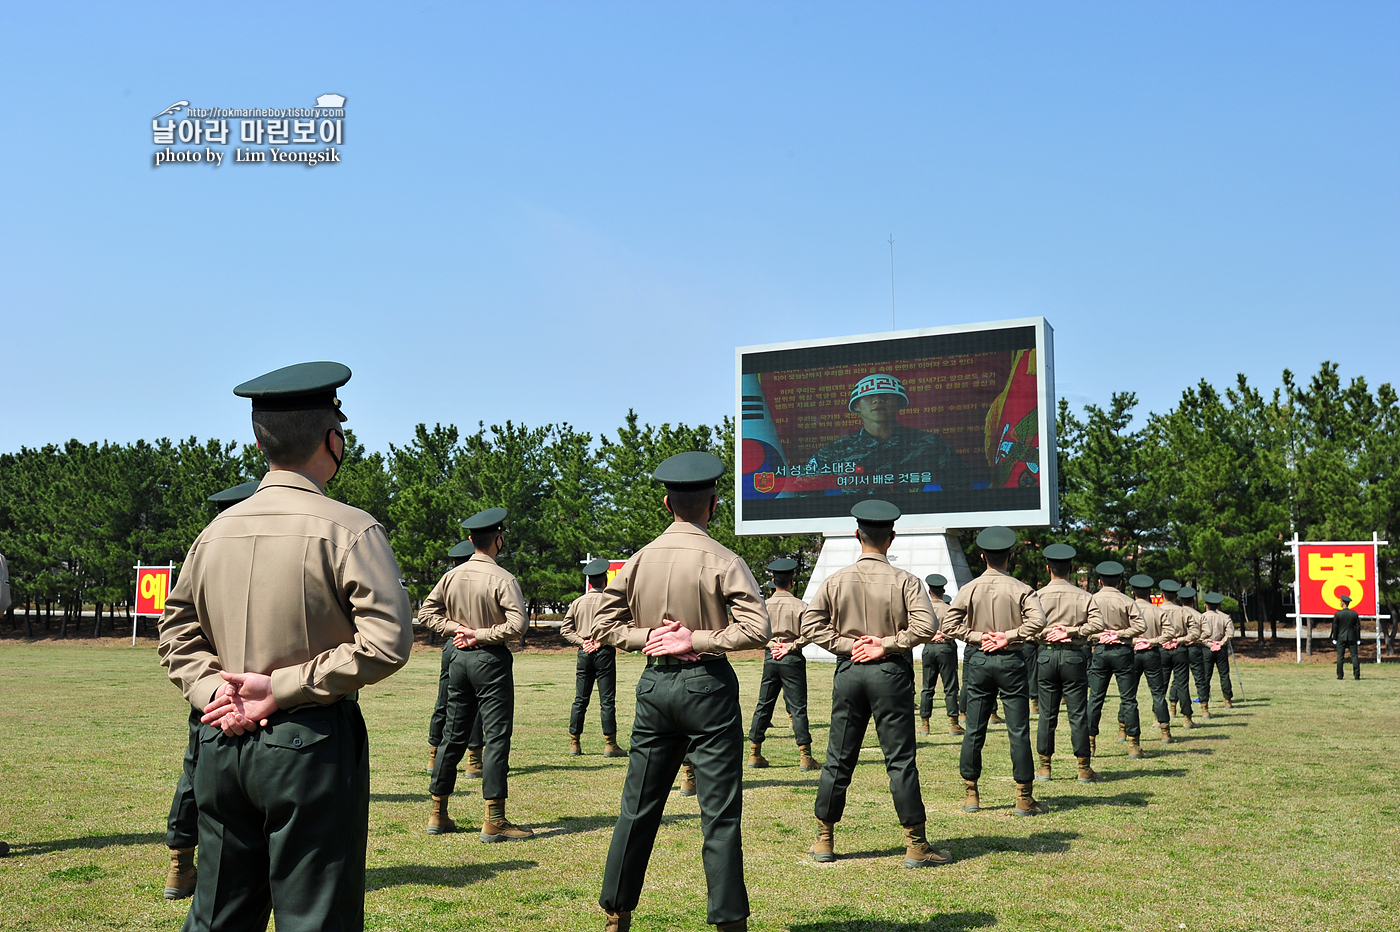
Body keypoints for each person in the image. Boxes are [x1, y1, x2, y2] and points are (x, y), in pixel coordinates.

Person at [158, 361, 414, 931]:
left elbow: (176, 631)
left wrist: (212, 695)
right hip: (309, 746)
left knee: (218, 915)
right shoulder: (351, 528)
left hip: (218, 741)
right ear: (334, 440)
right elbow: (388, 642)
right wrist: (280, 688)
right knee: (315, 917)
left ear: (258, 442)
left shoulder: (214, 532)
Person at [591, 451, 770, 932]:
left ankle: (616, 914)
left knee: (638, 807)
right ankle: (730, 922)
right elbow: (757, 628)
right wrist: (700, 638)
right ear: (713, 505)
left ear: (667, 503)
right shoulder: (724, 560)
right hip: (707, 686)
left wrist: (645, 638)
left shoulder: (638, 560)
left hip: (654, 685)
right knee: (719, 814)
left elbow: (603, 623)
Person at [801, 501, 949, 868]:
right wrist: (885, 644)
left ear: (857, 535)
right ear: (891, 537)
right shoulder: (906, 581)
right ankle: (916, 844)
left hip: (849, 671)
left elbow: (810, 626)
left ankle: (824, 840)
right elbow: (926, 628)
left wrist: (851, 645)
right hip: (891, 674)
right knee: (900, 760)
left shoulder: (835, 580)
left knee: (837, 758)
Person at [161, 479, 260, 901]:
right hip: (257, 692)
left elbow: (179, 629)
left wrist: (211, 687)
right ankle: (184, 864)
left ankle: (180, 863)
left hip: (215, 691)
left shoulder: (204, 555)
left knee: (195, 772)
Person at [418, 507, 534, 841]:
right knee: (496, 737)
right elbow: (518, 625)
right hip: (489, 660)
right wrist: (479, 634)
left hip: (457, 658)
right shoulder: (504, 579)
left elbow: (426, 612)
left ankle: (438, 814)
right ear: (498, 539)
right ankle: (494, 820)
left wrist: (457, 629)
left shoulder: (451, 576)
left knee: (453, 735)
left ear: (470, 540)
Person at [940, 526, 1048, 816]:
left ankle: (971, 794)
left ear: (982, 555)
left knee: (974, 729)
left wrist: (978, 637)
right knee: (1018, 730)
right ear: (1009, 556)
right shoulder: (1022, 589)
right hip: (1011, 662)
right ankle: (1024, 798)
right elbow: (1039, 622)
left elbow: (949, 626)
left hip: (979, 661)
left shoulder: (969, 589)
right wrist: (1008, 636)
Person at [806, 373, 971, 492]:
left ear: (899, 402)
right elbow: (804, 488)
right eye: (869, 397)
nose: (878, 400)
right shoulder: (835, 451)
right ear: (856, 406)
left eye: (886, 395)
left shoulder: (930, 444)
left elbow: (960, 486)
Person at [1033, 546, 1101, 784]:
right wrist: (1071, 631)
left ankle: (1044, 768)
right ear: (1072, 569)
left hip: (1046, 656)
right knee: (1078, 714)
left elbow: (1028, 625)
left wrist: (1049, 632)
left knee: (1046, 714)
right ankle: (1083, 768)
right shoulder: (1085, 596)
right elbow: (1097, 625)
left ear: (1047, 568)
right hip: (1074, 656)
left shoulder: (1037, 596)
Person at [748, 558, 817, 772]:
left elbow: (755, 633)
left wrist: (772, 644)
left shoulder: (764, 606)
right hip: (792, 659)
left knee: (764, 704)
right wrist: (791, 646)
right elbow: (810, 633)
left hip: (771, 658)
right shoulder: (802, 606)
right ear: (792, 581)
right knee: (797, 707)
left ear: (772, 580)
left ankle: (754, 753)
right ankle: (805, 757)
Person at [427, 540, 486, 776]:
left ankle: (433, 755)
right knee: (476, 707)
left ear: (453, 561)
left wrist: (453, 628)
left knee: (443, 700)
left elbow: (429, 613)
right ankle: (474, 760)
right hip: (477, 643)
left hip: (452, 644)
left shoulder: (447, 580)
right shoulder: (484, 577)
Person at [562, 558, 626, 758]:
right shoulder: (610, 601)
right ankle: (610, 744)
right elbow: (620, 626)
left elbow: (565, 629)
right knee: (606, 700)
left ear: (590, 581)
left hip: (584, 653)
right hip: (604, 652)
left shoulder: (578, 602)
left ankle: (575, 743)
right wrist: (601, 640)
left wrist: (583, 642)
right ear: (605, 580)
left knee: (580, 699)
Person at [1085, 567, 1147, 758]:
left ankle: (1090, 744)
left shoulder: (1091, 599)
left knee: (1095, 698)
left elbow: (1083, 626)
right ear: (1120, 581)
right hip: (1123, 651)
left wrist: (1100, 635)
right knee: (1128, 699)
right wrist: (1119, 634)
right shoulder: (1127, 601)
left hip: (1101, 650)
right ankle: (1134, 745)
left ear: (1100, 581)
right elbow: (1141, 626)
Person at [1129, 574, 1177, 744]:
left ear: (1133, 592)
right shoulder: (1158, 610)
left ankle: (1123, 730)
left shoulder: (1128, 608)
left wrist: (1136, 641)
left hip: (1133, 653)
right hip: (1153, 653)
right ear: (1150, 592)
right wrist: (1152, 641)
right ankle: (1165, 731)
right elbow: (1170, 633)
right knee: (1158, 693)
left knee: (1128, 694)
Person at [919, 574, 964, 737]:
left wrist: (930, 635)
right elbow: (959, 628)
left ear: (929, 591)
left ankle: (925, 724)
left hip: (929, 648)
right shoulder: (949, 609)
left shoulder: (925, 609)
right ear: (943, 590)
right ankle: (953, 724)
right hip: (946, 648)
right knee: (950, 687)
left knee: (927, 688)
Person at [1158, 579, 1197, 729]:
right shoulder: (1184, 612)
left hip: (1161, 650)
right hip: (1180, 650)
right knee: (1182, 685)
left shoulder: (1157, 610)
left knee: (1160, 686)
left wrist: (1161, 640)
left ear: (1162, 595)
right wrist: (1180, 640)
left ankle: (1158, 718)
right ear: (1176, 596)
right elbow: (1195, 633)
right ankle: (1187, 718)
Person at [1178, 587, 1210, 718]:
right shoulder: (1199, 615)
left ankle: (1173, 707)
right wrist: (1196, 639)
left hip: (1178, 647)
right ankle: (1204, 709)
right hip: (1195, 648)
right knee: (1200, 678)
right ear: (1193, 600)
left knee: (1178, 680)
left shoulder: (1176, 612)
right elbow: (1207, 632)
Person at [1200, 592, 1237, 704]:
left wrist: (1209, 644)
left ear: (1205, 605)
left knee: (1206, 675)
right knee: (1224, 674)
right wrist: (1220, 643)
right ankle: (1227, 699)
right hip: (1221, 648)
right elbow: (1230, 634)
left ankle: (1204, 699)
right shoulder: (1225, 617)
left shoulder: (1201, 617)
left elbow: (1198, 634)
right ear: (1219, 605)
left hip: (1207, 649)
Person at [1331, 594, 1362, 680]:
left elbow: (1335, 627)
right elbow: (1358, 627)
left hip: (1341, 637)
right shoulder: (1354, 614)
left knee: (1340, 657)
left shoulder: (1338, 614)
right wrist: (1358, 638)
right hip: (1352, 637)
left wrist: (1334, 638)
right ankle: (1357, 675)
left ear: (1343, 603)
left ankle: (1340, 675)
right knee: (1354, 656)